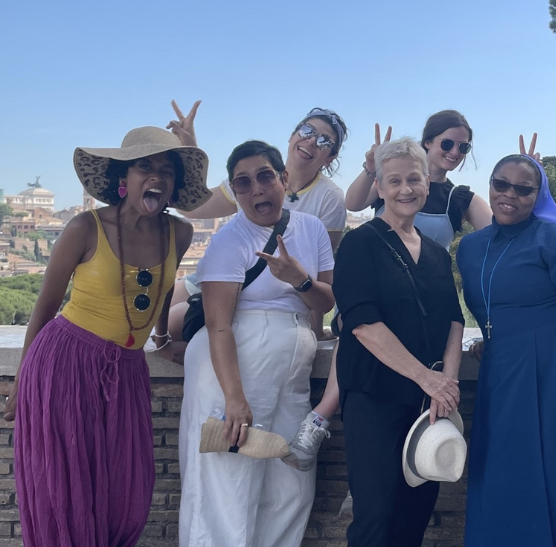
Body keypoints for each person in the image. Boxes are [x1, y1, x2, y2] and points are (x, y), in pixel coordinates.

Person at [6, 126, 204, 546]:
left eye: (166, 170)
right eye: (144, 167)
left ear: (174, 185)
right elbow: (45, 306)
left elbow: (162, 289)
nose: (156, 176)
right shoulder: (85, 227)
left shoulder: (180, 234)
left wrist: (162, 339)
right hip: (65, 363)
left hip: (127, 373)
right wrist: (23, 380)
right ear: (124, 178)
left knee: (126, 493)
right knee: (65, 488)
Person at [164, 103, 348, 469]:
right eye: (307, 130)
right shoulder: (250, 174)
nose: (312, 141)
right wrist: (191, 150)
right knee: (169, 325)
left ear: (330, 156)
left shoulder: (327, 201)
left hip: (274, 294)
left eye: (324, 140)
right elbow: (195, 206)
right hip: (224, 279)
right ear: (294, 133)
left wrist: (309, 336)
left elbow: (319, 277)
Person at [177, 141, 335, 546]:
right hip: (237, 365)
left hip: (292, 364)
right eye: (243, 183)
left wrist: (297, 278)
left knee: (289, 486)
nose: (257, 189)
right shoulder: (230, 240)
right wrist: (234, 398)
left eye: (265, 176)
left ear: (283, 178)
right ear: (235, 192)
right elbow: (218, 325)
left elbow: (326, 301)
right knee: (227, 486)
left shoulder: (312, 229)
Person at [457, 154, 556, 547]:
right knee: (504, 474)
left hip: (553, 374)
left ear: (538, 195)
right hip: (501, 372)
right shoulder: (470, 248)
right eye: (500, 184)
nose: (510, 195)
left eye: (524, 189)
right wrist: (489, 340)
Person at [334, 137, 465, 546]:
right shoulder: (360, 244)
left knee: (415, 514)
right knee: (375, 513)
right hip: (374, 395)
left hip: (426, 403)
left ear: (427, 183)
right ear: (379, 186)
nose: (405, 189)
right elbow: (362, 324)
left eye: (413, 179)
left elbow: (454, 323)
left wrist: (447, 386)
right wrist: (426, 378)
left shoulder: (438, 255)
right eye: (394, 181)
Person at [344, 110, 493, 248]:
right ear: (428, 142)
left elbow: (500, 233)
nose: (454, 152)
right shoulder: (394, 181)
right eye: (447, 144)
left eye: (463, 147)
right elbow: (353, 204)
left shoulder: (459, 199)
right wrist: (371, 168)